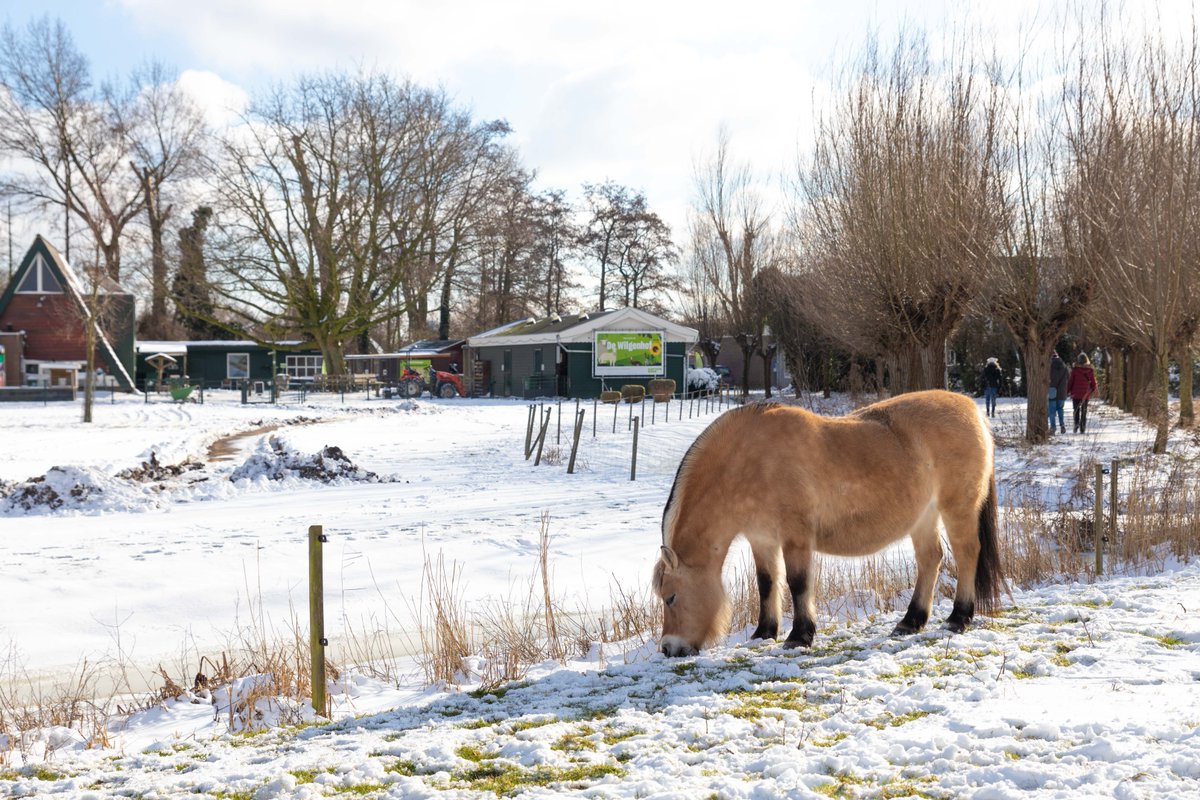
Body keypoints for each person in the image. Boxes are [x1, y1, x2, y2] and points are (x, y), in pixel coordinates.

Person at [1067, 352, 1098, 433]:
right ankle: (1083, 427)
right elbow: (1093, 382)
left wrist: (1067, 390)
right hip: (1085, 394)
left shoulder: (1075, 370)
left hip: (1076, 393)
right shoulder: (1090, 370)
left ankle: (1076, 424)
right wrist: (1093, 390)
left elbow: (1070, 382)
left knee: (1076, 410)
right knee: (1084, 410)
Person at [1048, 353, 1069, 434]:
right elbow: (1068, 377)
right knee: (1060, 409)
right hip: (1062, 391)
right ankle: (1062, 425)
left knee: (1051, 410)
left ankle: (1053, 427)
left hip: (1052, 390)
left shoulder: (1049, 366)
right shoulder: (1064, 366)